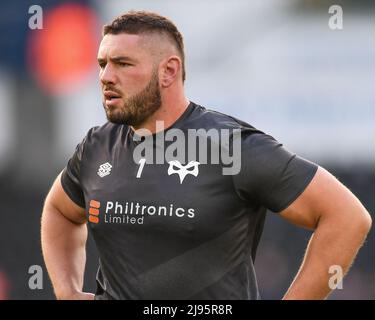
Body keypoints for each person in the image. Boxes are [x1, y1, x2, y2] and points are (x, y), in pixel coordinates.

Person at [41, 10, 372, 300]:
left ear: (169, 71)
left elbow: (347, 217)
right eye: (103, 64)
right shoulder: (97, 146)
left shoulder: (231, 146)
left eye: (123, 64)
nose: (106, 77)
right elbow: (60, 211)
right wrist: (66, 289)